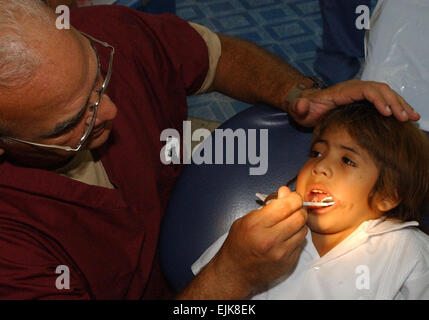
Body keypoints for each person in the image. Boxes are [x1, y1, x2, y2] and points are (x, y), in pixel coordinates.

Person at [0, 1, 420, 299]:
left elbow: (215, 57)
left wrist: (300, 96)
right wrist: (231, 278)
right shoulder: (14, 257)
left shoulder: (110, 33)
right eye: (74, 122)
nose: (111, 108)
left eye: (99, 76)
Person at [191, 102, 429, 299]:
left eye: (347, 160)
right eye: (317, 153)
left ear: (387, 196)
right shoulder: (261, 232)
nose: (321, 166)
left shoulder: (409, 252)